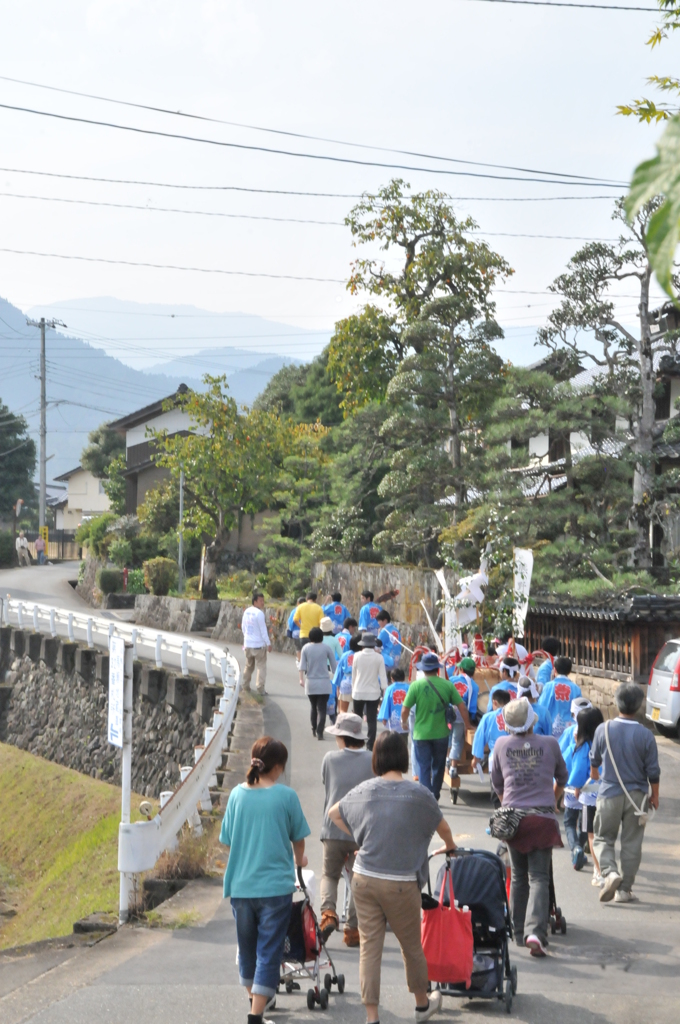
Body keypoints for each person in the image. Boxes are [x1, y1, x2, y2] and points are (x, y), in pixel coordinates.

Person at [328, 731, 457, 1024]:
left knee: (369, 947)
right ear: (404, 756)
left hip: (363, 879)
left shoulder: (364, 791)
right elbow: (445, 830)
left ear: (376, 757)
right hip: (400, 883)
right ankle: (422, 1005)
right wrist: (449, 848)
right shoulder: (420, 794)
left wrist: (360, 836)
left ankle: (371, 1016)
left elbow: (334, 813)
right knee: (410, 945)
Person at [219, 737, 310, 1024]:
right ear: (278, 766)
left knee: (246, 949)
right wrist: (300, 860)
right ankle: (255, 1015)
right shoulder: (286, 797)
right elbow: (299, 839)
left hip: (241, 886)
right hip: (275, 889)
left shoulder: (236, 794)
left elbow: (228, 840)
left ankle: (255, 1000)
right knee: (269, 950)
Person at [491, 697, 568, 958]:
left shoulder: (501, 745)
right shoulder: (550, 744)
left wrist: (509, 808)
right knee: (539, 877)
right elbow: (562, 777)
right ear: (532, 720)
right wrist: (553, 800)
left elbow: (498, 784)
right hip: (542, 819)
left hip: (513, 821)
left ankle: (517, 929)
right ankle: (535, 931)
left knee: (518, 877)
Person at [590, 682, 660, 904]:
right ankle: (624, 890)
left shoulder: (604, 729)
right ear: (639, 705)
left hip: (609, 792)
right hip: (637, 796)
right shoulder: (646, 735)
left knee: (602, 837)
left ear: (617, 701)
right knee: (632, 843)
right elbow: (653, 772)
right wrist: (655, 795)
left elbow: (594, 764)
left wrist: (595, 775)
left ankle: (609, 873)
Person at [319, 712, 374, 948]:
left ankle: (328, 914)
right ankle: (352, 929)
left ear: (342, 737)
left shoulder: (330, 759)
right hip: (361, 831)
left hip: (333, 828)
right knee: (357, 879)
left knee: (330, 875)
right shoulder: (372, 760)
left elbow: (326, 784)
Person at [401, 651, 471, 801]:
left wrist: (404, 722)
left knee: (424, 767)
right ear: (437, 668)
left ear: (423, 669)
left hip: (421, 735)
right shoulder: (447, 685)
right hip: (441, 734)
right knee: (438, 767)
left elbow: (405, 709)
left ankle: (427, 798)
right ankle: (435, 795)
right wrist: (468, 725)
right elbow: (462, 707)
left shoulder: (415, 686)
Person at [563, 707, 604, 876]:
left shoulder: (583, 746)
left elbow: (579, 771)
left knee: (586, 831)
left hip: (589, 794)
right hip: (608, 792)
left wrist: (576, 787)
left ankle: (596, 868)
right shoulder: (606, 742)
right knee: (600, 833)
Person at [351, 633, 388, 751]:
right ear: (373, 645)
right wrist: (384, 692)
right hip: (373, 693)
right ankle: (370, 745)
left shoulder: (356, 656)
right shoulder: (379, 657)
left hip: (358, 691)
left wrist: (353, 690)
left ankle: (356, 741)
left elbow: (354, 676)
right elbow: (383, 677)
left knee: (357, 718)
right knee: (372, 720)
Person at [299, 626, 336, 740]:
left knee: (313, 707)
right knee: (322, 708)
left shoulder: (306, 648)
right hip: (324, 682)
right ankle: (320, 731)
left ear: (310, 637)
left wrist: (301, 679)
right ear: (321, 637)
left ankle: (314, 728)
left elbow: (302, 666)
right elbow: (334, 667)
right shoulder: (327, 648)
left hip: (311, 682)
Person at [445, 656, 479, 777]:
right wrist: (471, 721)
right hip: (461, 713)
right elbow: (473, 707)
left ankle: (447, 759)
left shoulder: (452, 679)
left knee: (448, 737)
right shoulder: (474, 686)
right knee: (457, 740)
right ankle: (453, 767)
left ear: (461, 670)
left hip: (447, 712)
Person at [537, 656, 582, 737]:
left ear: (554, 670)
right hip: (571, 731)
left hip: (552, 730)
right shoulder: (576, 688)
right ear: (569, 671)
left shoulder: (549, 686)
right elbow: (579, 711)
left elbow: (541, 708)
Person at [471, 688, 512, 770]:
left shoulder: (487, 717)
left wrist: (476, 758)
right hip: (514, 756)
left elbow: (479, 738)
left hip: (495, 756)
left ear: (494, 702)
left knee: (495, 782)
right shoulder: (515, 715)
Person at [240, 594, 272, 697]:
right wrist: (268, 643)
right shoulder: (259, 614)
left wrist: (246, 638)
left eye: (263, 600)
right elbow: (263, 630)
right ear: (255, 601)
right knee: (261, 666)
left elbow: (243, 627)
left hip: (248, 644)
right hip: (259, 645)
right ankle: (260, 688)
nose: (262, 602)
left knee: (248, 666)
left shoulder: (246, 611)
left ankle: (245, 686)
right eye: (260, 601)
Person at [332, 635, 360, 715]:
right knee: (357, 712)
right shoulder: (362, 656)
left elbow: (339, 671)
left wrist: (337, 686)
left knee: (342, 711)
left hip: (346, 681)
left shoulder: (345, 655)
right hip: (359, 683)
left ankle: (341, 725)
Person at [378, 668, 411, 734]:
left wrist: (384, 718)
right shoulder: (409, 687)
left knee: (393, 738)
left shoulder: (390, 689)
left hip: (394, 718)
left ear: (392, 679)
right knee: (404, 739)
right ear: (404, 678)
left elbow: (386, 703)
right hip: (406, 719)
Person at [286, 597, 305, 665]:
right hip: (305, 632)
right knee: (305, 647)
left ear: (297, 603)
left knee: (298, 647)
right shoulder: (306, 610)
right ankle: (305, 661)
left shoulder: (294, 611)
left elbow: (291, 622)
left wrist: (290, 629)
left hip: (296, 632)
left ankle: (300, 661)